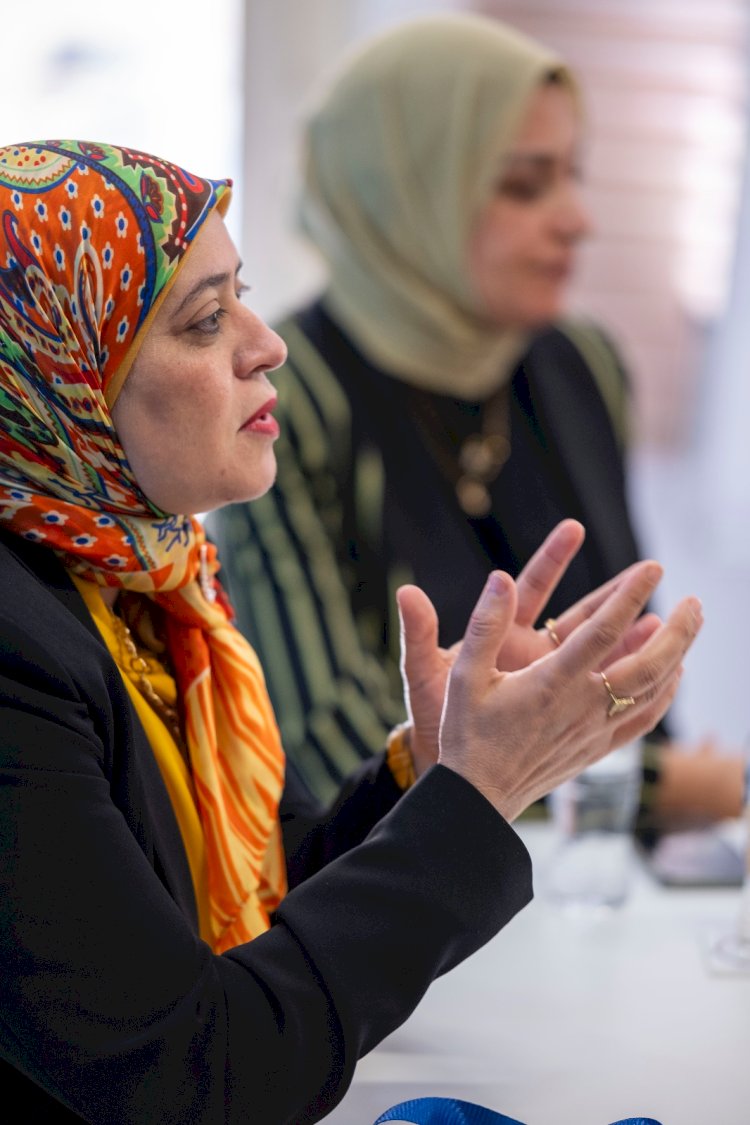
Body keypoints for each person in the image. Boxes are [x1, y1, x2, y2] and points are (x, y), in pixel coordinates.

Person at [0, 137, 699, 1123]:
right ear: (55, 376)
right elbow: (190, 1070)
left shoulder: (153, 581)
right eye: (206, 320)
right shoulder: (17, 648)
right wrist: (478, 792)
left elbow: (270, 891)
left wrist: (434, 761)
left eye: (241, 295)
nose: (266, 343)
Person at [208, 13, 744, 830]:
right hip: (406, 888)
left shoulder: (583, 363)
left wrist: (645, 778)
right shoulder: (286, 396)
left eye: (573, 176)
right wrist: (657, 790)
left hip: (604, 880)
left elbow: (626, 657)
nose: (577, 218)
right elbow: (335, 751)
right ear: (406, 192)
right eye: (526, 185)